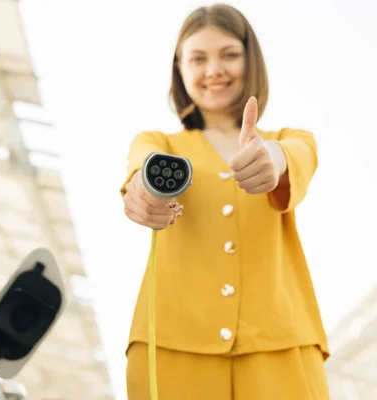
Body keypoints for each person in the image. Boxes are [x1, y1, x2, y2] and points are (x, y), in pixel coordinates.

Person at [120, 4, 330, 399]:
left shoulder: (291, 139)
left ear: (252, 61)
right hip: (171, 349)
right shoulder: (158, 143)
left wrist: (273, 158)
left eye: (229, 54)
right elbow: (141, 166)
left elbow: (291, 155)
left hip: (280, 347)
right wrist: (140, 190)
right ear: (179, 70)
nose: (213, 69)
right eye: (198, 58)